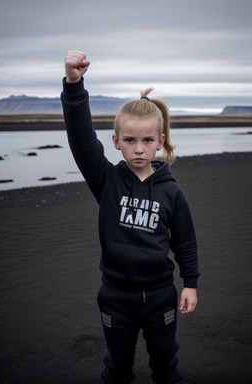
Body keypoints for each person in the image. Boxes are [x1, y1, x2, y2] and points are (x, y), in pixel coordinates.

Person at [61, 50, 199, 384]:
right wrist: (74, 85)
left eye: (147, 140)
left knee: (166, 367)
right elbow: (81, 139)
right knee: (117, 368)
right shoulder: (107, 181)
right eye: (130, 140)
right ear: (116, 142)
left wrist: (190, 284)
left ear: (160, 142)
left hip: (160, 295)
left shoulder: (171, 191)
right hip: (115, 296)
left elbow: (184, 241)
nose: (139, 148)